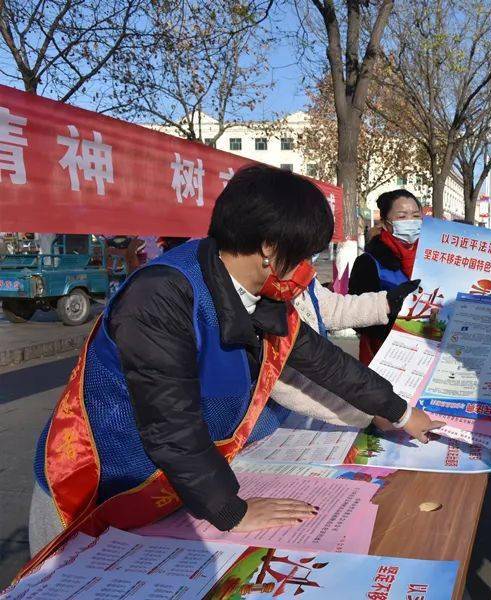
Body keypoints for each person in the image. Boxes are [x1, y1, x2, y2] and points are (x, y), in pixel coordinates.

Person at [26, 166, 443, 571]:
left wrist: (399, 412)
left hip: (175, 488)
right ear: (268, 247)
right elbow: (170, 423)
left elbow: (325, 362)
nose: (305, 270)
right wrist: (232, 512)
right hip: (97, 489)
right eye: (301, 255)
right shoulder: (161, 296)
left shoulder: (259, 291)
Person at [274, 273, 419, 428]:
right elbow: (310, 373)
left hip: (311, 405)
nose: (307, 268)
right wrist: (372, 413)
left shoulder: (296, 272)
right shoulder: (266, 307)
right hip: (264, 418)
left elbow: (328, 306)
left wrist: (386, 303)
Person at [349, 189, 422, 364]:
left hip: (425, 356)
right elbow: (357, 318)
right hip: (385, 357)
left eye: (415, 215)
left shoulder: (430, 258)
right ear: (385, 222)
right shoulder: (369, 262)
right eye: (402, 216)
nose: (410, 221)